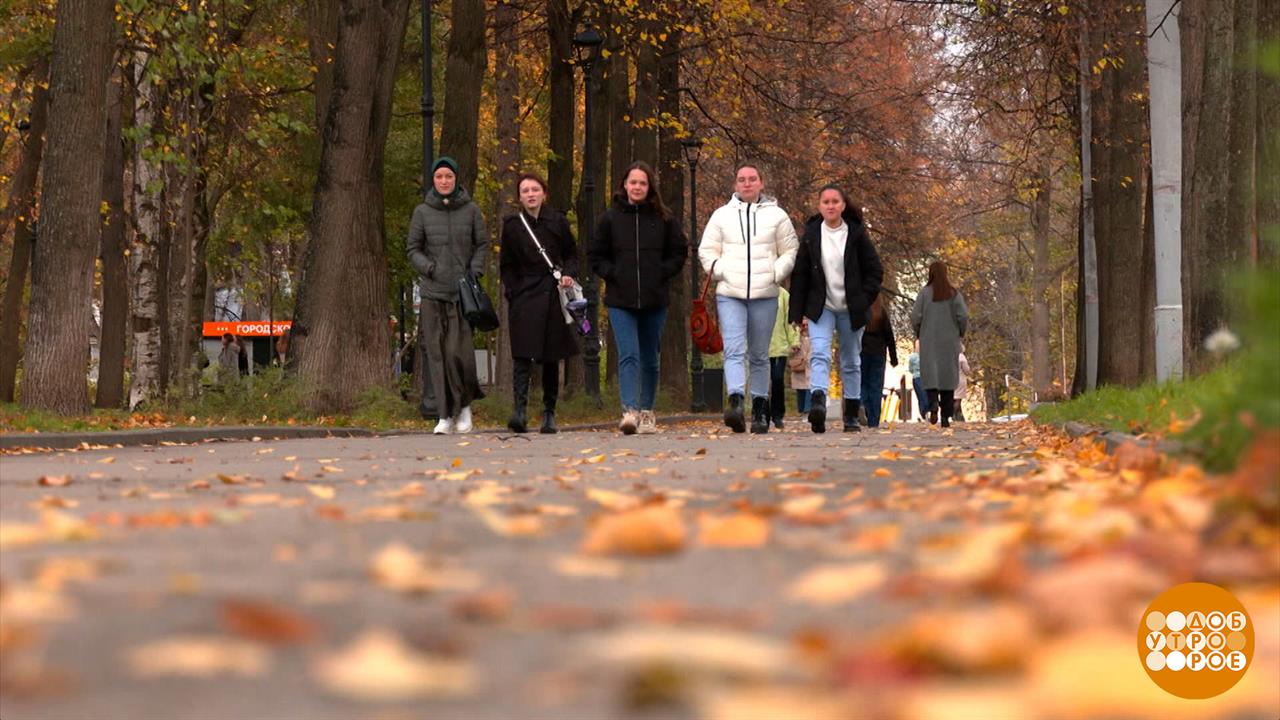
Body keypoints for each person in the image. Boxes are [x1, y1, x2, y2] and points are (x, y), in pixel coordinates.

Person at [698, 162, 799, 434]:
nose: (747, 184)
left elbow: (790, 250)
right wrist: (722, 271)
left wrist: (775, 273)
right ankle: (735, 401)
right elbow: (706, 251)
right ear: (735, 185)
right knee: (733, 349)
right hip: (730, 294)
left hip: (765, 294)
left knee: (758, 354)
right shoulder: (721, 216)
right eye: (741, 179)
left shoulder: (777, 216)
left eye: (752, 179)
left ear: (761, 183)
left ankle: (760, 409)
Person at [588, 161, 687, 435]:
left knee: (650, 358)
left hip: (655, 299)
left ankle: (647, 412)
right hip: (621, 300)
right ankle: (629, 411)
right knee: (628, 354)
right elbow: (595, 255)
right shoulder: (610, 218)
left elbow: (679, 252)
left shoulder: (664, 219)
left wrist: (662, 272)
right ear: (624, 185)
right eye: (633, 182)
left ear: (649, 187)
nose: (637, 187)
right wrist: (613, 273)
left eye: (642, 183)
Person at [788, 185, 884, 433]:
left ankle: (851, 413)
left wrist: (863, 299)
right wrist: (796, 313)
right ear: (820, 206)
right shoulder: (811, 234)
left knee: (851, 361)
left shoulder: (856, 234)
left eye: (835, 201)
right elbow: (800, 274)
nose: (830, 206)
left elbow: (875, 271)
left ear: (843, 205)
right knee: (819, 353)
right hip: (822, 307)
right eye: (825, 202)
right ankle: (818, 403)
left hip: (852, 308)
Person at [407, 156, 489, 435]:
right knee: (437, 355)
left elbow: (482, 245)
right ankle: (444, 415)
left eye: (449, 177)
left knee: (459, 353)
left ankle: (465, 407)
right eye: (439, 176)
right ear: (433, 180)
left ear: (456, 180)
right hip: (433, 293)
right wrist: (429, 267)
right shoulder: (422, 212)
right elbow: (413, 248)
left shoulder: (471, 210)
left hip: (462, 295)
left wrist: (474, 271)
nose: (444, 181)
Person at [500, 172, 580, 435]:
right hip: (524, 296)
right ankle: (519, 412)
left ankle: (549, 414)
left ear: (544, 193)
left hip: (552, 293)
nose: (531, 194)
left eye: (535, 189)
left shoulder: (556, 220)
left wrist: (568, 274)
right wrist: (513, 292)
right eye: (525, 191)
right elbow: (507, 265)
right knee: (523, 355)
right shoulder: (512, 225)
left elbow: (571, 253)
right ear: (520, 196)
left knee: (550, 356)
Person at [911, 261, 968, 428]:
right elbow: (963, 316)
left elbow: (915, 316)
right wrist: (960, 332)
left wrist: (919, 332)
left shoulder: (924, 293)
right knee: (948, 377)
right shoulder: (954, 294)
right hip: (949, 341)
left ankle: (933, 404)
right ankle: (946, 416)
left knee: (931, 375)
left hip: (929, 340)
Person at [859, 296, 898, 428]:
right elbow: (889, 336)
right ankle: (874, 421)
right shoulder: (881, 312)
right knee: (876, 387)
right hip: (878, 353)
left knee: (862, 383)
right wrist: (893, 358)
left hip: (861, 352)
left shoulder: (860, 311)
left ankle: (861, 405)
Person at [767, 286, 797, 429]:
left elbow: (789, 319)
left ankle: (777, 415)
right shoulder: (757, 292)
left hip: (779, 347)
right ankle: (762, 414)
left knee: (778, 379)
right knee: (762, 383)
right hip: (761, 348)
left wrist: (794, 340)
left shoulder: (783, 294)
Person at [789, 319, 811, 416]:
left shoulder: (814, 337)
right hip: (799, 366)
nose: (805, 327)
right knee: (800, 389)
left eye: (807, 325)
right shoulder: (796, 338)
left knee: (809, 387)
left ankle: (807, 409)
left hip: (810, 367)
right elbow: (789, 351)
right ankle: (801, 410)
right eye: (803, 325)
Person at [907, 340, 927, 421]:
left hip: (921, 377)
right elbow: (910, 368)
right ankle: (924, 412)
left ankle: (925, 411)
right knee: (922, 395)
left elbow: (911, 369)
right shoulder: (913, 357)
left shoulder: (924, 355)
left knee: (923, 395)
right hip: (919, 377)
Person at [954, 343, 971, 422]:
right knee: (958, 399)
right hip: (959, 379)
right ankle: (953, 414)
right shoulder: (961, 357)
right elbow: (966, 370)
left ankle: (958, 417)